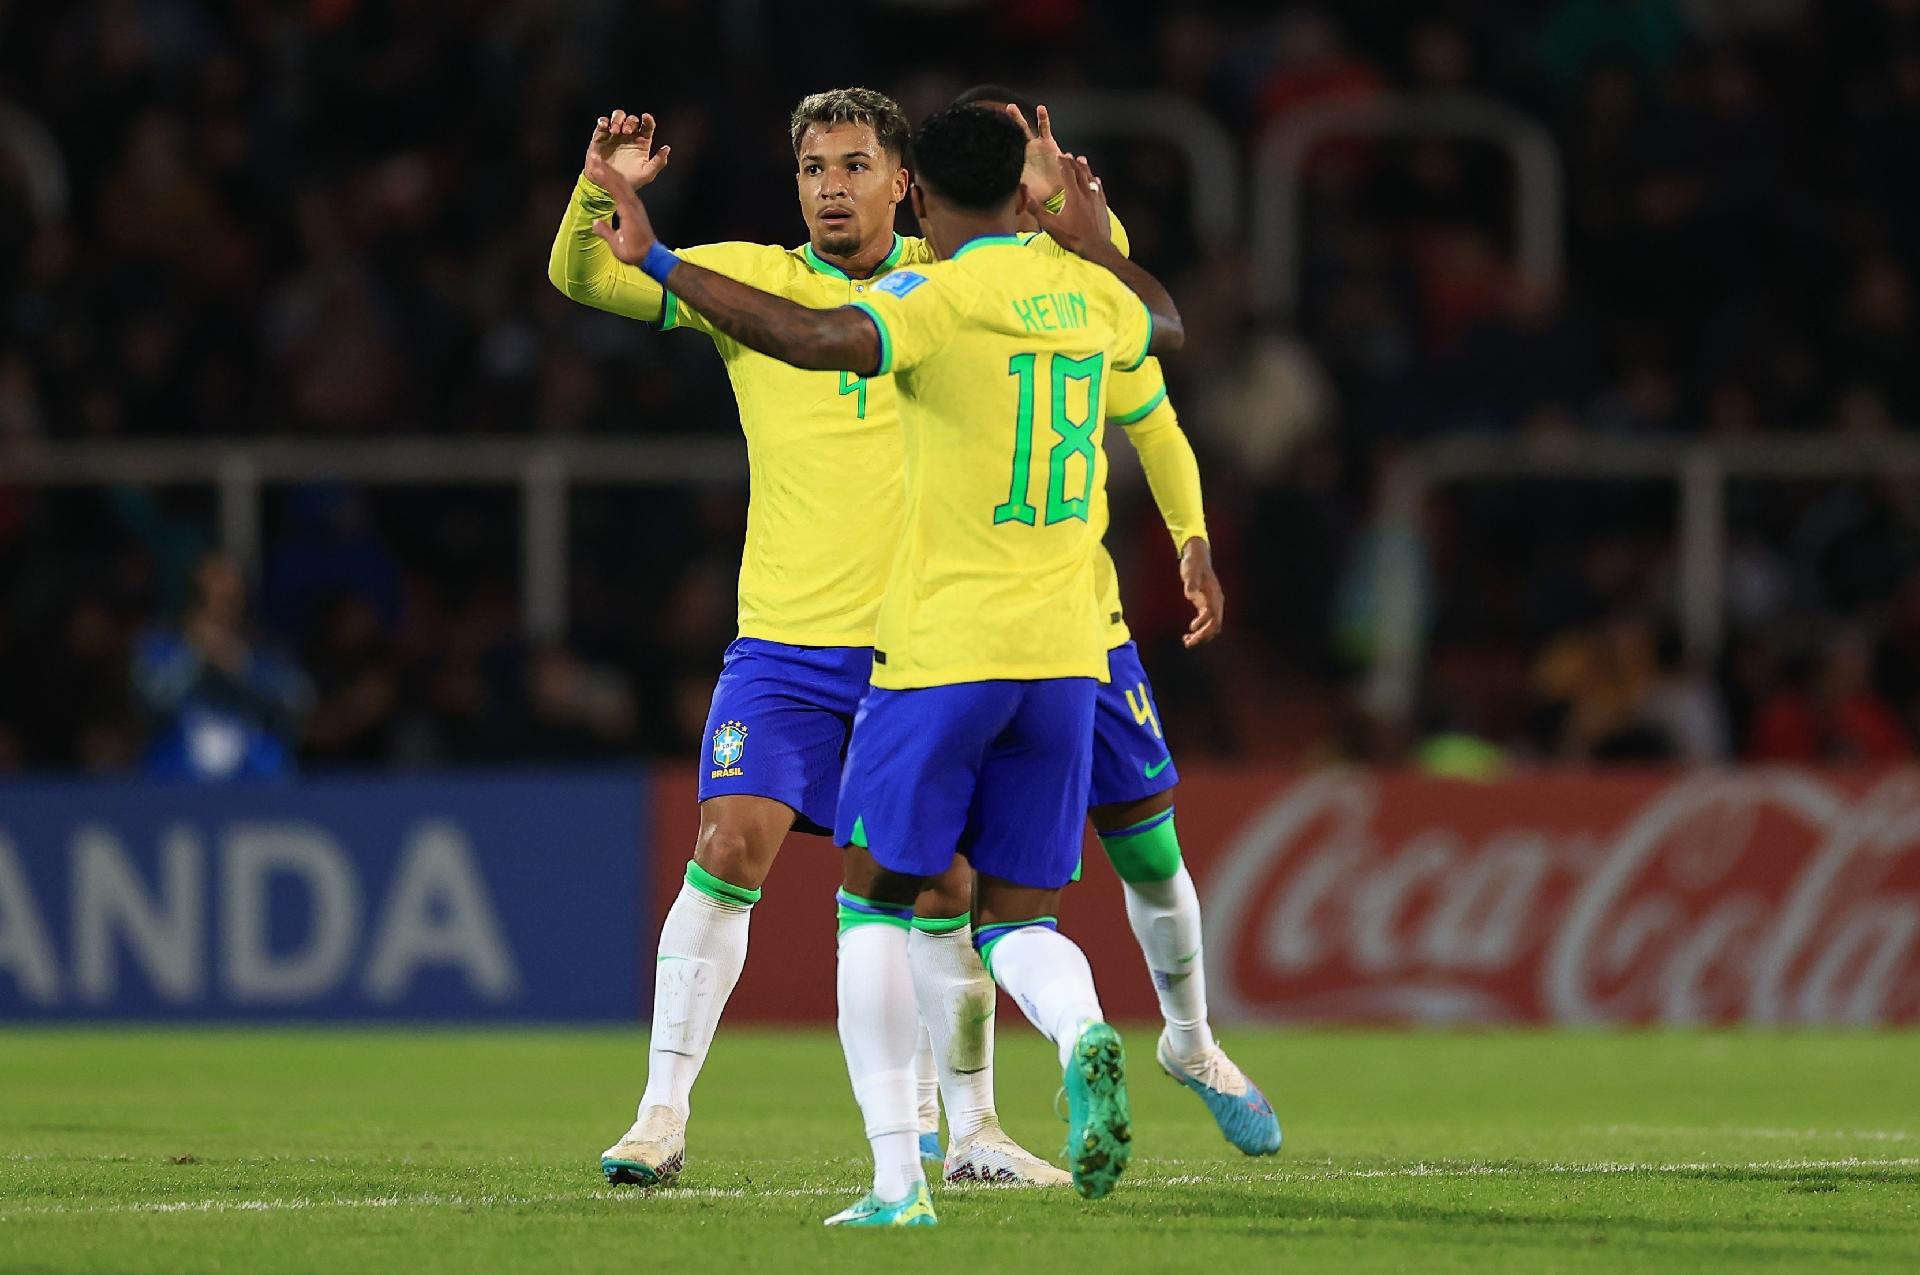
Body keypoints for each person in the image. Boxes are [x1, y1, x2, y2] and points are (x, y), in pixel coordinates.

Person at [584, 103, 1183, 1224]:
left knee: (942, 895)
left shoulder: (949, 288)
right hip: (788, 645)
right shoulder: (751, 278)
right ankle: (660, 1115)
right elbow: (588, 277)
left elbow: (1096, 298)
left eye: (857, 165)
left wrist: (1052, 204)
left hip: (916, 647)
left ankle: (973, 1137)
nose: (831, 187)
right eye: (812, 166)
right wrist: (600, 191)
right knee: (729, 844)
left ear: (906, 181)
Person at [950, 85, 1282, 1159]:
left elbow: (1150, 414)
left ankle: (1188, 1041)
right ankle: (965, 1125)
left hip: (1079, 629)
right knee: (951, 892)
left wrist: (1190, 535)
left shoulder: (1087, 277)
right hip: (950, 629)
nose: (1059, 163)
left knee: (1149, 850)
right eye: (1034, 148)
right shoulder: (927, 280)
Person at [131, 552, 311, 780]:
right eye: (205, 599)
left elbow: (299, 705)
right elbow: (150, 704)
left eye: (227, 601)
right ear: (188, 602)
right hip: (174, 785)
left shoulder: (265, 653)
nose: (216, 611)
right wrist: (194, 656)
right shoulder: (160, 649)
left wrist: (242, 667)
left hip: (254, 787)